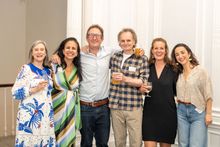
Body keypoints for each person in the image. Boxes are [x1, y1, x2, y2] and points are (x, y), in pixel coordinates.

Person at [51, 24, 113, 146]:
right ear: (87, 37)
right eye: (91, 35)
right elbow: (66, 55)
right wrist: (55, 55)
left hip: (103, 108)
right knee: (85, 143)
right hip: (84, 107)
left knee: (103, 143)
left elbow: (125, 52)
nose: (94, 37)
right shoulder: (79, 56)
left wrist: (137, 50)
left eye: (97, 35)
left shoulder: (109, 52)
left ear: (102, 38)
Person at [108, 28, 148, 147]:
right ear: (119, 42)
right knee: (119, 141)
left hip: (133, 106)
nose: (125, 43)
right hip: (115, 105)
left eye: (128, 40)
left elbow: (143, 81)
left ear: (134, 41)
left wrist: (125, 79)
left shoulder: (142, 58)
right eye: (123, 40)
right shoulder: (115, 57)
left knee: (135, 141)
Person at [11, 40, 56, 146]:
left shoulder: (48, 71)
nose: (39, 52)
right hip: (30, 118)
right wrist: (33, 90)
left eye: (42, 50)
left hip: (45, 118)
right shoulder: (26, 69)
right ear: (32, 52)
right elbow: (14, 93)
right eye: (36, 50)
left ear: (45, 53)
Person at [171, 43, 213, 147]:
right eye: (177, 54)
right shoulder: (177, 73)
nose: (180, 56)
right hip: (181, 112)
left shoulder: (200, 71)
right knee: (183, 144)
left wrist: (208, 114)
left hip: (197, 113)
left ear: (189, 54)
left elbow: (208, 94)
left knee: (196, 144)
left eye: (182, 52)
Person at [140, 38, 177, 147]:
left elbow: (178, 90)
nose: (158, 51)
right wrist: (140, 90)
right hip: (149, 115)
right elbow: (139, 85)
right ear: (152, 50)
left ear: (166, 50)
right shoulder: (146, 67)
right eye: (156, 48)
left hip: (168, 115)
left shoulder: (173, 69)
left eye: (161, 48)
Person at [51, 37, 82, 147]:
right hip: (54, 108)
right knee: (53, 139)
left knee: (67, 140)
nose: (70, 50)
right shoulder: (54, 65)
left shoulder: (79, 68)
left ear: (77, 52)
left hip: (71, 109)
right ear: (63, 50)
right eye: (68, 47)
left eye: (74, 48)